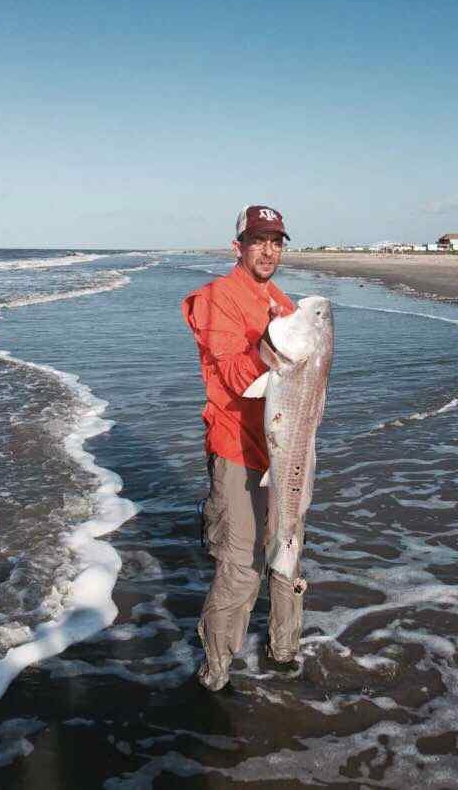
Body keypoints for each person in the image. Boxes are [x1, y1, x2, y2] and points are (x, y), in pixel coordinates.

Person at [182, 204, 303, 692]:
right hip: (236, 445)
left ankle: (285, 650)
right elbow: (233, 374)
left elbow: (307, 378)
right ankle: (216, 671)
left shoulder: (285, 303)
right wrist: (272, 346)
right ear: (239, 246)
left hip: (287, 450)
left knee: (288, 550)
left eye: (276, 241)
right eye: (258, 240)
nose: (269, 250)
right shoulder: (218, 298)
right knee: (241, 563)